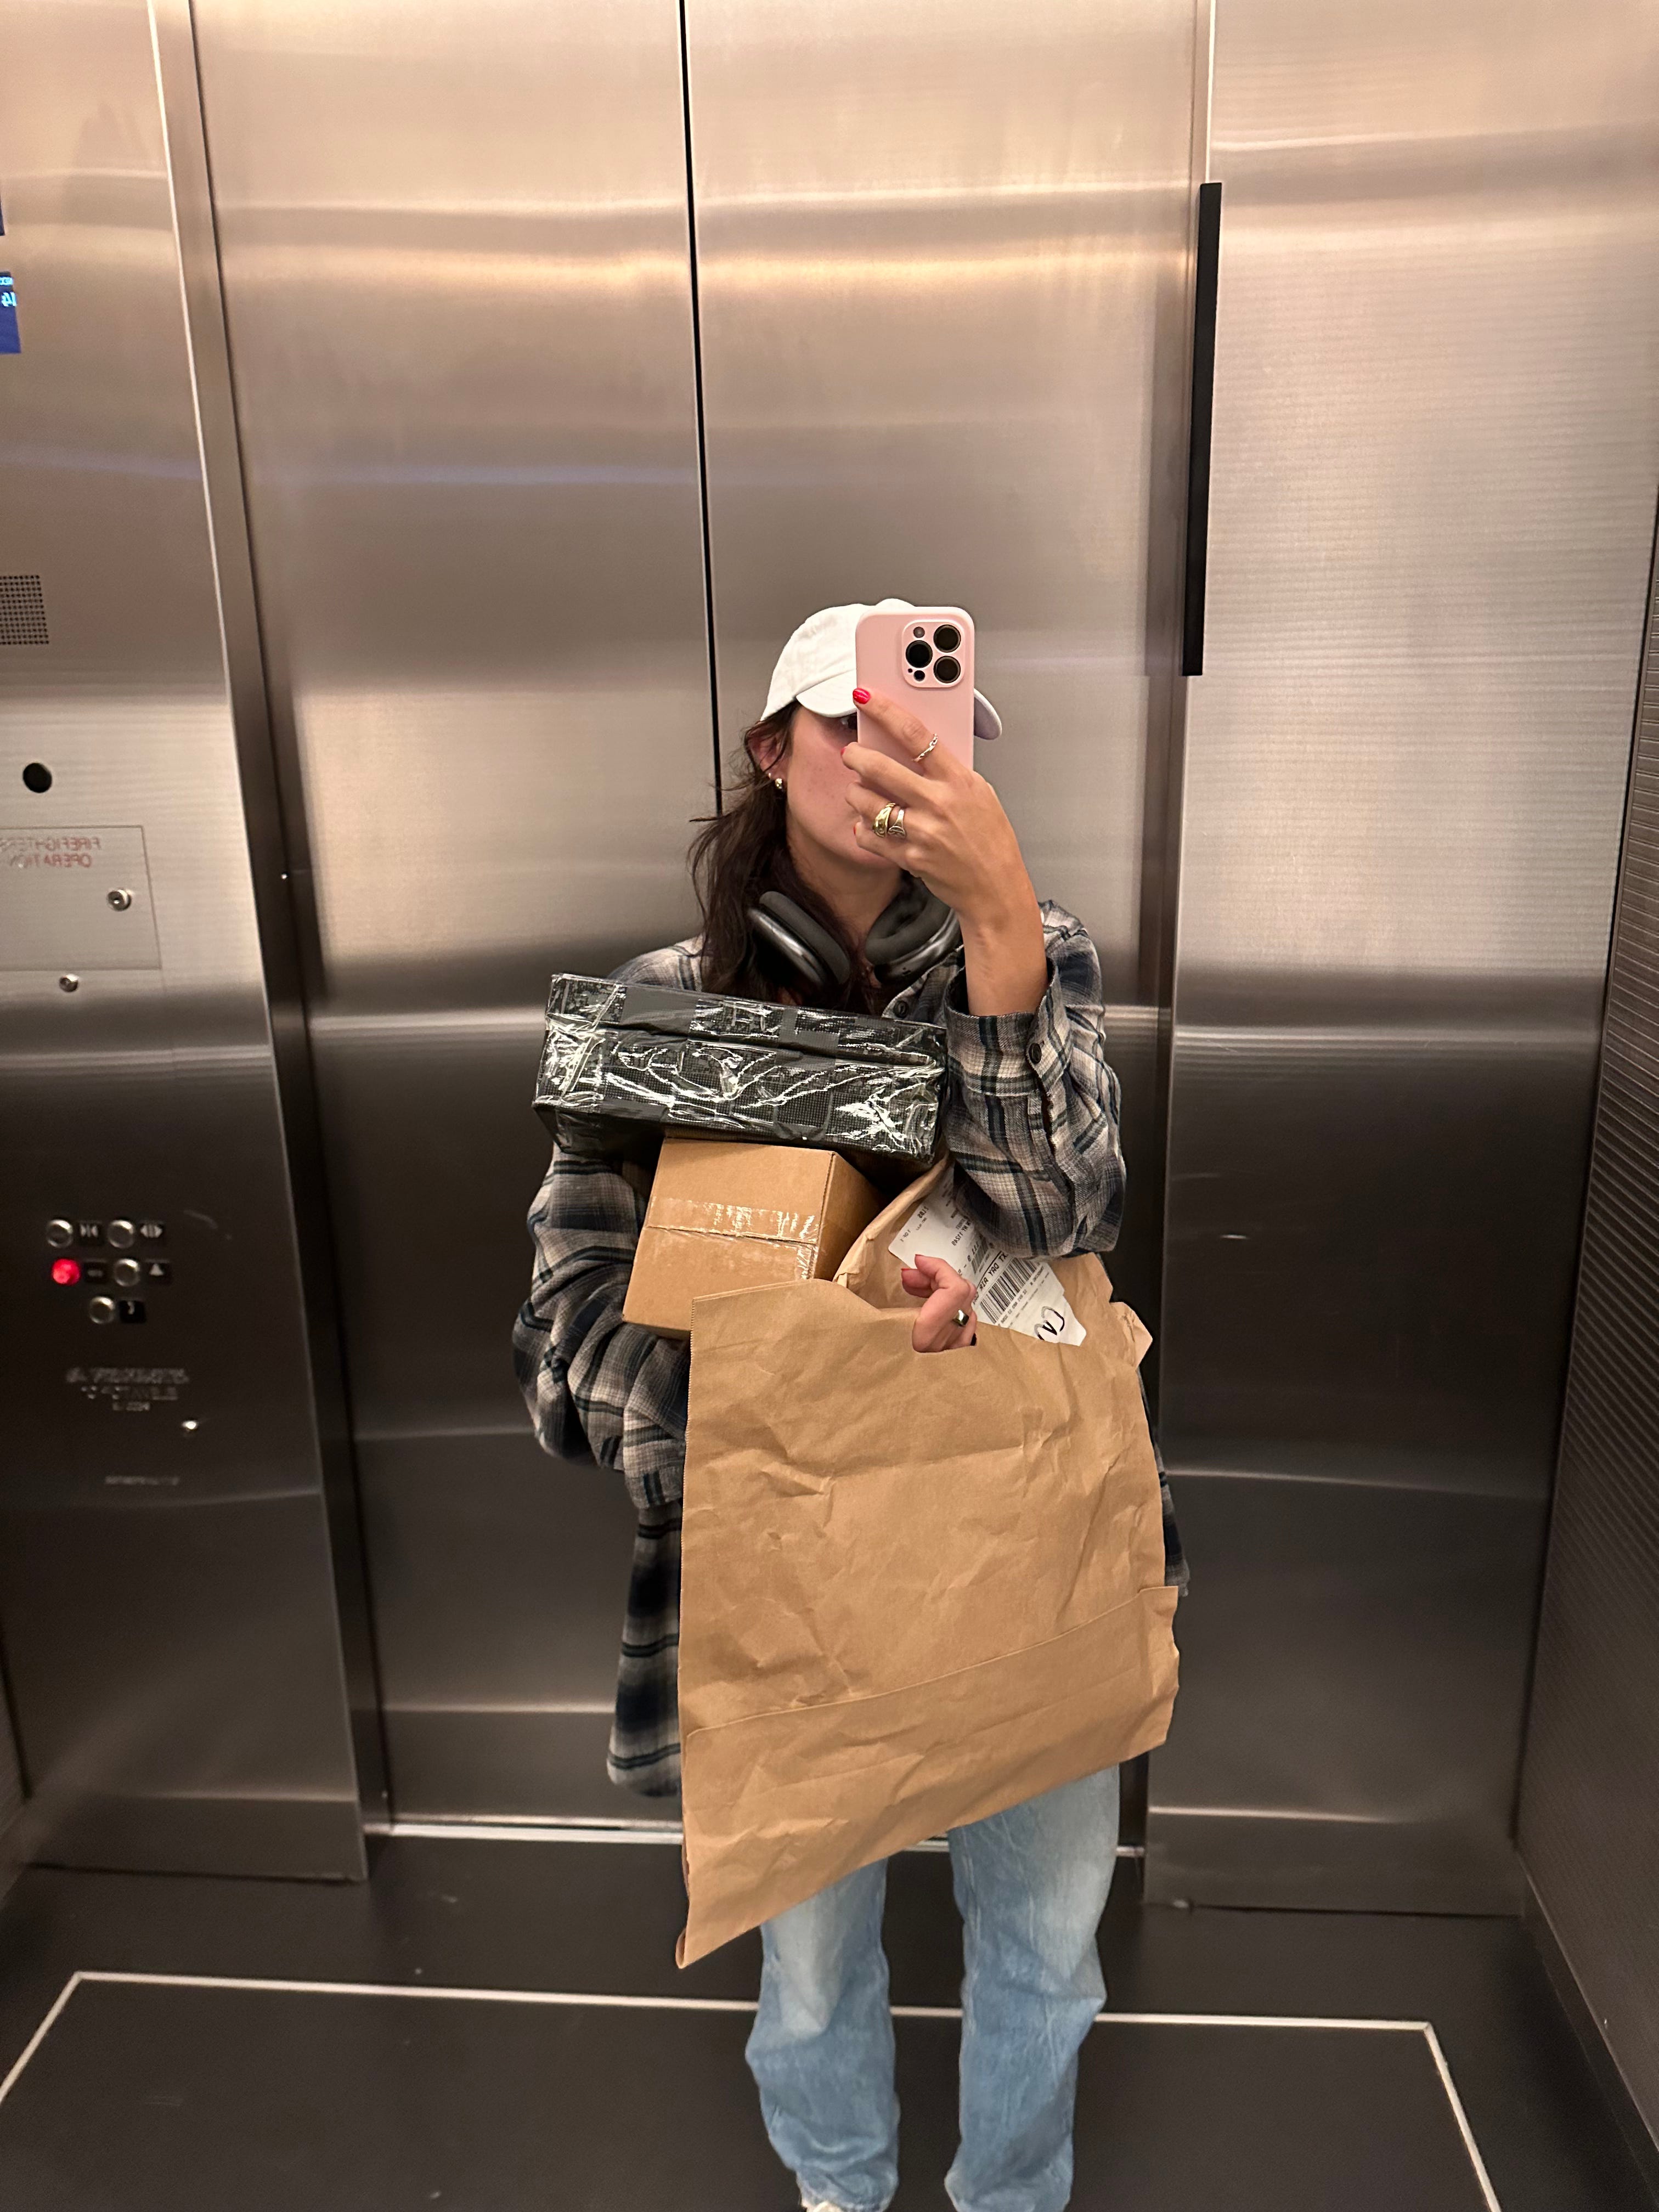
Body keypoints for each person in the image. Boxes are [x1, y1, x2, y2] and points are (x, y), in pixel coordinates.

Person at [514, 600, 1185, 2212]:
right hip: (783, 1576)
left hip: (1023, 1553)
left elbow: (1068, 1217)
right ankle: (839, 2190)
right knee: (808, 1970)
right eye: (854, 725)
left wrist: (1002, 927)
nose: (896, 759)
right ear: (772, 750)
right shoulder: (667, 1001)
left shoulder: (1039, 948)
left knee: (1049, 1947)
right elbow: (564, 1337)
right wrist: (808, 1385)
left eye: (926, 731)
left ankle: (1012, 2195)